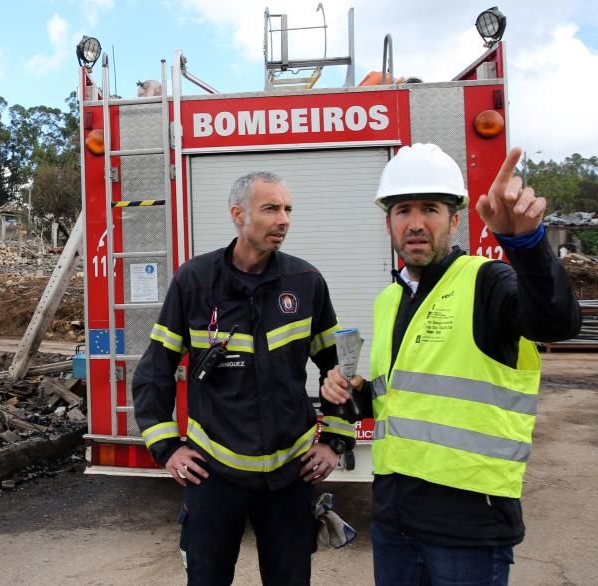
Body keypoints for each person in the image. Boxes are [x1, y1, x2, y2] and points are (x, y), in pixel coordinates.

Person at [322, 144, 582, 585]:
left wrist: (527, 244)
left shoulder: (488, 280)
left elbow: (557, 321)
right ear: (389, 223)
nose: (416, 222)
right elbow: (398, 396)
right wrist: (355, 394)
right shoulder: (390, 300)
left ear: (455, 219)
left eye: (431, 209)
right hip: (394, 517)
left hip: (468, 525)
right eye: (403, 210)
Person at [133, 171, 356, 585]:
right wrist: (167, 449)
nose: (284, 219)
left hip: (291, 474)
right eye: (271, 208)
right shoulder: (195, 281)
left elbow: (339, 369)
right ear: (238, 215)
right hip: (214, 473)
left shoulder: (305, 283)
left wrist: (334, 442)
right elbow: (154, 372)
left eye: (288, 209)